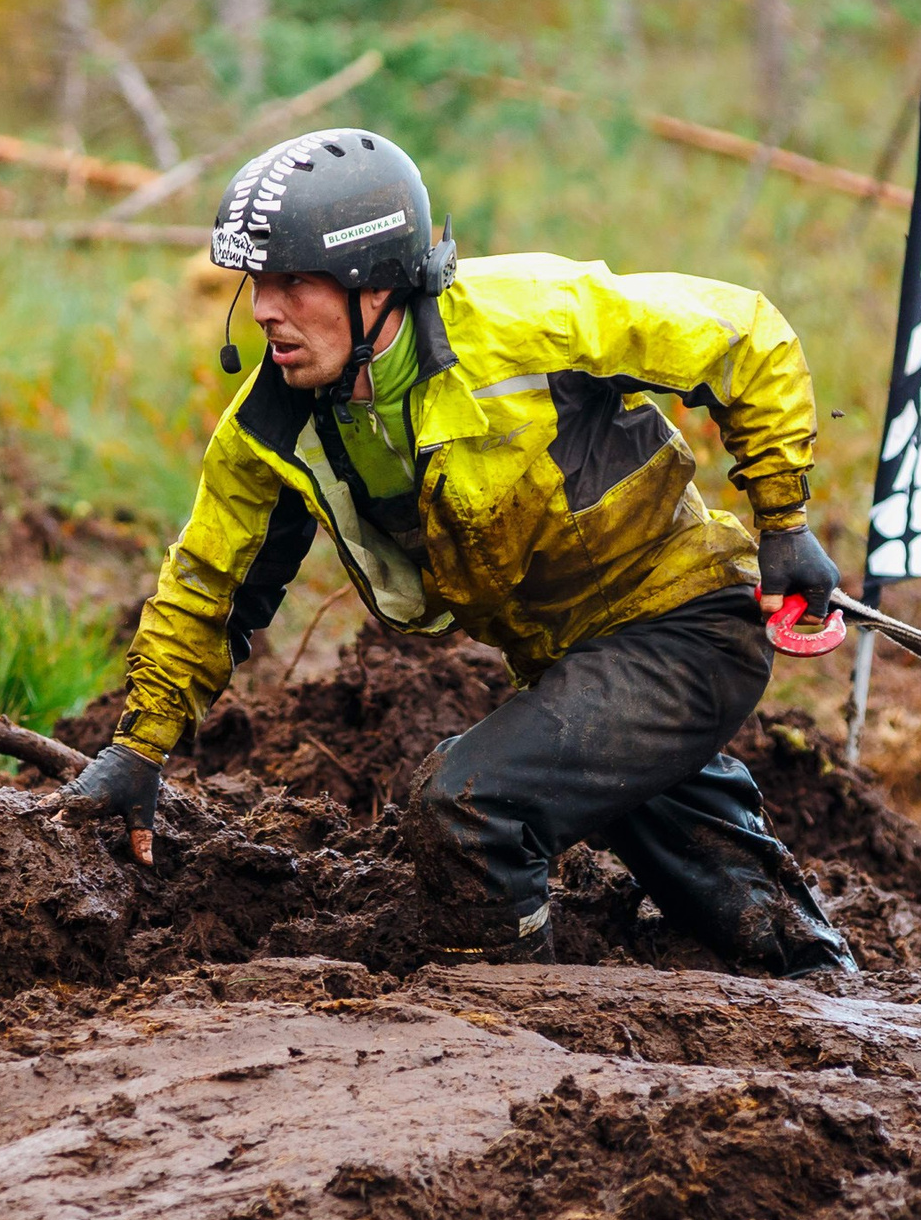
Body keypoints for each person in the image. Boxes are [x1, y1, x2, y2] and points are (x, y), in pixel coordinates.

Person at [65, 127, 852, 974]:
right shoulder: (272, 426)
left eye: (293, 281)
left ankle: (507, 1029)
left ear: (374, 286)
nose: (263, 309)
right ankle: (833, 994)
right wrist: (137, 749)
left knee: (468, 803)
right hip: (574, 668)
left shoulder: (523, 316)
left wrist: (786, 526)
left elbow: (747, 335)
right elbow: (207, 585)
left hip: (687, 630)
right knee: (749, 919)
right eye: (258, 284)